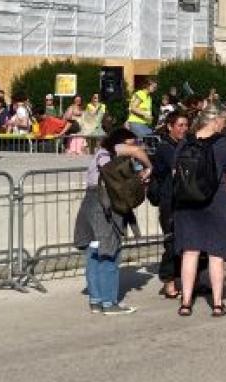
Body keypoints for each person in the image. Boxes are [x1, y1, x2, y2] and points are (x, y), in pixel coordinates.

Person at [72, 126, 150, 315]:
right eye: (130, 143)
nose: (134, 147)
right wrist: (149, 166)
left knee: (94, 251)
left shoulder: (100, 155)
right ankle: (110, 302)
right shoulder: (111, 151)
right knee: (110, 253)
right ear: (120, 142)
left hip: (90, 204)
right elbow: (137, 151)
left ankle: (96, 300)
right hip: (105, 206)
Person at [174, 106, 226, 317]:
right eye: (223, 121)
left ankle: (185, 303)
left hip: (187, 202)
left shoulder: (185, 141)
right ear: (215, 120)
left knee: (190, 252)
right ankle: (218, 304)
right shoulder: (223, 144)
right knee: (216, 253)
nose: (225, 125)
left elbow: (176, 171)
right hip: (216, 201)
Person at [149, 109, 190, 299]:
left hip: (184, 200)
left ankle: (190, 279)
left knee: (188, 242)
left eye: (186, 125)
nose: (183, 129)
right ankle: (168, 281)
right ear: (169, 127)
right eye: (180, 125)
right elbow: (177, 170)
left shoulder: (184, 145)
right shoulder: (166, 148)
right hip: (170, 201)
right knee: (172, 242)